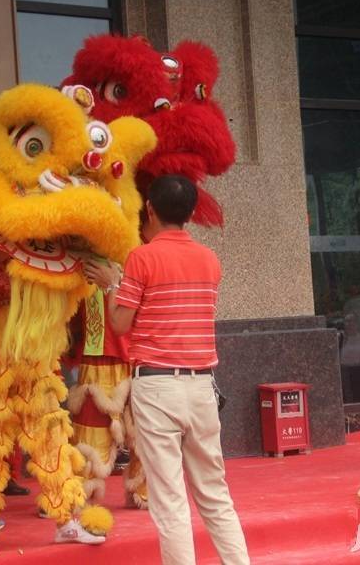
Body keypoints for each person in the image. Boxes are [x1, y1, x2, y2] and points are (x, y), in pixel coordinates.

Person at [84, 175, 250, 565]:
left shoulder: (142, 257)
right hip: (202, 387)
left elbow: (121, 324)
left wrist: (112, 285)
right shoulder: (209, 259)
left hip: (157, 386)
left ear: (149, 210)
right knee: (214, 493)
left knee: (169, 498)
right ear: (191, 213)